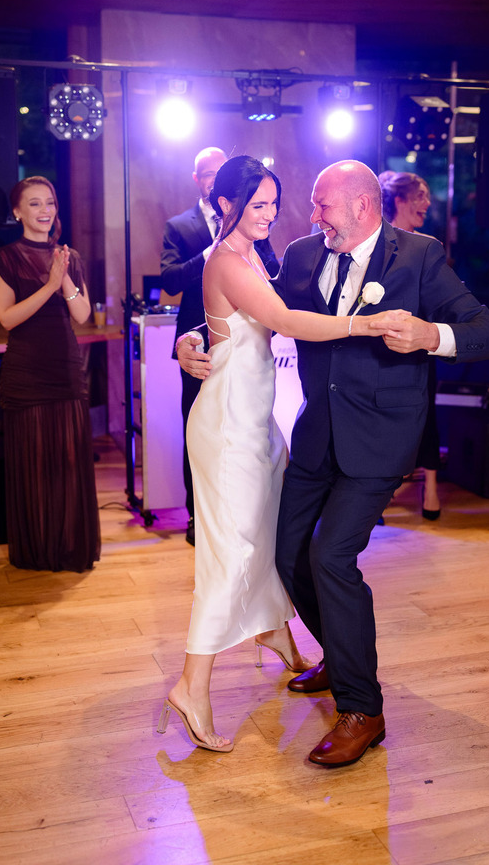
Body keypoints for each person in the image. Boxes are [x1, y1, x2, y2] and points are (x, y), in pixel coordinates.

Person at [179, 159, 489, 766]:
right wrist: (196, 336)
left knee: (330, 555)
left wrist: (431, 336)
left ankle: (363, 710)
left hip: (380, 438)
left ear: (361, 205)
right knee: (285, 551)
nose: (312, 216)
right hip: (316, 438)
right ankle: (341, 651)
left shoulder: (419, 256)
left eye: (322, 205)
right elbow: (254, 307)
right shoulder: (304, 254)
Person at [158, 156, 405, 753]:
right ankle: (192, 685)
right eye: (258, 205)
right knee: (231, 553)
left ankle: (271, 629)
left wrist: (196, 336)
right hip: (227, 429)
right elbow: (284, 320)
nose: (271, 214)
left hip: (256, 424)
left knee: (266, 536)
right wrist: (366, 325)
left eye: (274, 203)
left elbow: (222, 323)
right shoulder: (226, 259)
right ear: (226, 205)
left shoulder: (251, 255)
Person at [161, 147, 278, 545]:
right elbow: (170, 280)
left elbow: (272, 281)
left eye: (219, 171)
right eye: (207, 173)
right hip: (199, 346)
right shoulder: (180, 226)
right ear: (198, 180)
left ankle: (243, 522)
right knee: (198, 429)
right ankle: (198, 516)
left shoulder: (255, 223)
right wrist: (212, 251)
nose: (213, 178)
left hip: (243, 347)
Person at [0, 177, 100, 572]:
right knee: (34, 467)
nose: (44, 210)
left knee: (68, 463)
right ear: (17, 211)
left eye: (49, 202)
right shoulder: (6, 257)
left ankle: (68, 548)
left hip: (65, 368)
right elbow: (7, 318)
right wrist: (50, 283)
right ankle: (37, 550)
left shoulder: (69, 257)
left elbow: (82, 314)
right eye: (34, 203)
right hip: (27, 372)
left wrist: (63, 275)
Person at [379, 170, 441, 519]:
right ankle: (379, 488)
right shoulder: (376, 241)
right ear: (399, 200)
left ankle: (430, 487)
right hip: (382, 342)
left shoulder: (428, 245)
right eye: (420, 196)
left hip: (420, 344)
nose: (427, 203)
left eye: (427, 196)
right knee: (383, 417)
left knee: (426, 412)